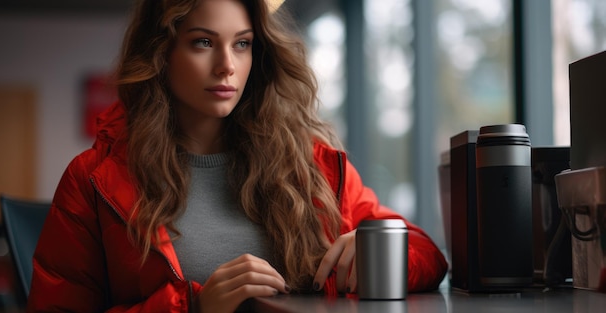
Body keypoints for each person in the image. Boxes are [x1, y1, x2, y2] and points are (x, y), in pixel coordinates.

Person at [27, 0, 448, 312]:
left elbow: (428, 256)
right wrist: (192, 307)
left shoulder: (310, 164)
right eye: (203, 42)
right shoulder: (95, 178)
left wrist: (379, 249)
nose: (227, 65)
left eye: (242, 44)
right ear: (161, 53)